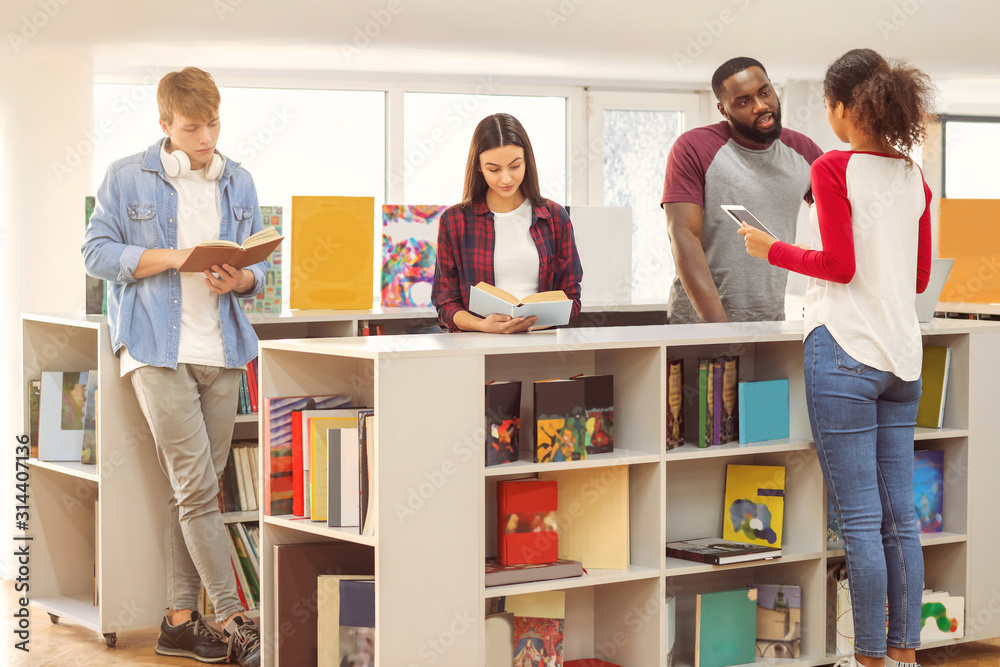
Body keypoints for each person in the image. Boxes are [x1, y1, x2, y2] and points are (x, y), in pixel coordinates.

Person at [740, 48, 934, 667]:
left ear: (844, 108)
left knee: (859, 521)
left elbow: (840, 266)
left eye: (828, 104)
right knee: (900, 521)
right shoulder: (914, 177)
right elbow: (920, 274)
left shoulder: (832, 168)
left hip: (845, 351)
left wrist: (771, 248)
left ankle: (869, 659)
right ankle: (903, 655)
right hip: (903, 361)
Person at [82, 67, 262, 667]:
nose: (206, 137)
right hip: (156, 349)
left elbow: (257, 271)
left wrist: (244, 276)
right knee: (196, 491)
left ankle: (179, 623)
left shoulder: (238, 180)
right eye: (192, 127)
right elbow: (96, 253)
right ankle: (239, 620)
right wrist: (171, 258)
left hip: (223, 350)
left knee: (194, 494)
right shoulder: (125, 176)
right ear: (165, 125)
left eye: (213, 123)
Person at [662, 56, 823, 323]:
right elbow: (683, 234)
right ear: (724, 110)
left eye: (765, 92)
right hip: (698, 323)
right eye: (744, 102)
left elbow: (841, 217)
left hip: (770, 319)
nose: (761, 106)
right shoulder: (693, 147)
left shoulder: (803, 150)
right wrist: (718, 329)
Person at [431, 113, 583, 333]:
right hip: (477, 346)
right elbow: (445, 302)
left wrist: (528, 324)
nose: (506, 179)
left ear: (527, 162)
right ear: (479, 167)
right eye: (494, 169)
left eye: (515, 166)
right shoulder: (454, 221)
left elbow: (572, 298)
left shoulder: (555, 217)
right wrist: (483, 325)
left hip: (542, 344)